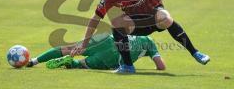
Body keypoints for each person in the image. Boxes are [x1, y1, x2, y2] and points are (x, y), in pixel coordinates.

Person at [70, 0, 210, 73]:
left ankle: (195, 53)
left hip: (152, 15)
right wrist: (84, 44)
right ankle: (127, 66)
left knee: (165, 17)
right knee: (117, 24)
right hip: (135, 23)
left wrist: (158, 0)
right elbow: (96, 18)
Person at [27, 34, 165, 70]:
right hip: (112, 58)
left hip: (106, 39)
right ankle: (73, 63)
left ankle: (34, 61)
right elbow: (161, 66)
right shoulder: (149, 41)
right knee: (81, 64)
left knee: (69, 48)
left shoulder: (131, 27)